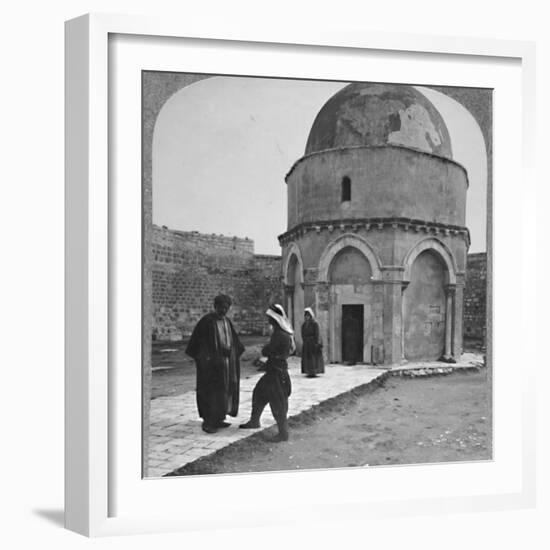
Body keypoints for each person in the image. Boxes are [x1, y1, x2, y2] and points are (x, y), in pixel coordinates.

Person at [185, 294, 245, 434]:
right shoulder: (206, 322)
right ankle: (208, 421)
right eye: (221, 308)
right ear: (215, 306)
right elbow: (197, 345)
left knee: (223, 392)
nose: (223, 311)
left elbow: (235, 343)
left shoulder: (227, 322)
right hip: (211, 367)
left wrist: (232, 351)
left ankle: (218, 418)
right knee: (210, 392)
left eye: (226, 308)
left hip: (225, 365)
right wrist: (208, 358)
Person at [239, 304, 294, 442]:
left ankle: (283, 433)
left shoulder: (280, 335)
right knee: (259, 393)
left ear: (275, 318)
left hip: (277, 372)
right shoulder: (280, 332)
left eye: (270, 317)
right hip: (273, 370)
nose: (268, 319)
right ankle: (254, 421)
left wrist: (265, 350)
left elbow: (268, 350)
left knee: (278, 403)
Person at [301, 307, 325, 378]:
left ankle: (314, 371)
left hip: (313, 343)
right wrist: (305, 340)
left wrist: (316, 342)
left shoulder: (315, 324)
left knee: (313, 358)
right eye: (305, 316)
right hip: (307, 343)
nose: (306, 317)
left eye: (308, 315)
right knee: (307, 358)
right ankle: (308, 371)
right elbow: (302, 333)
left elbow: (317, 333)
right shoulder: (304, 325)